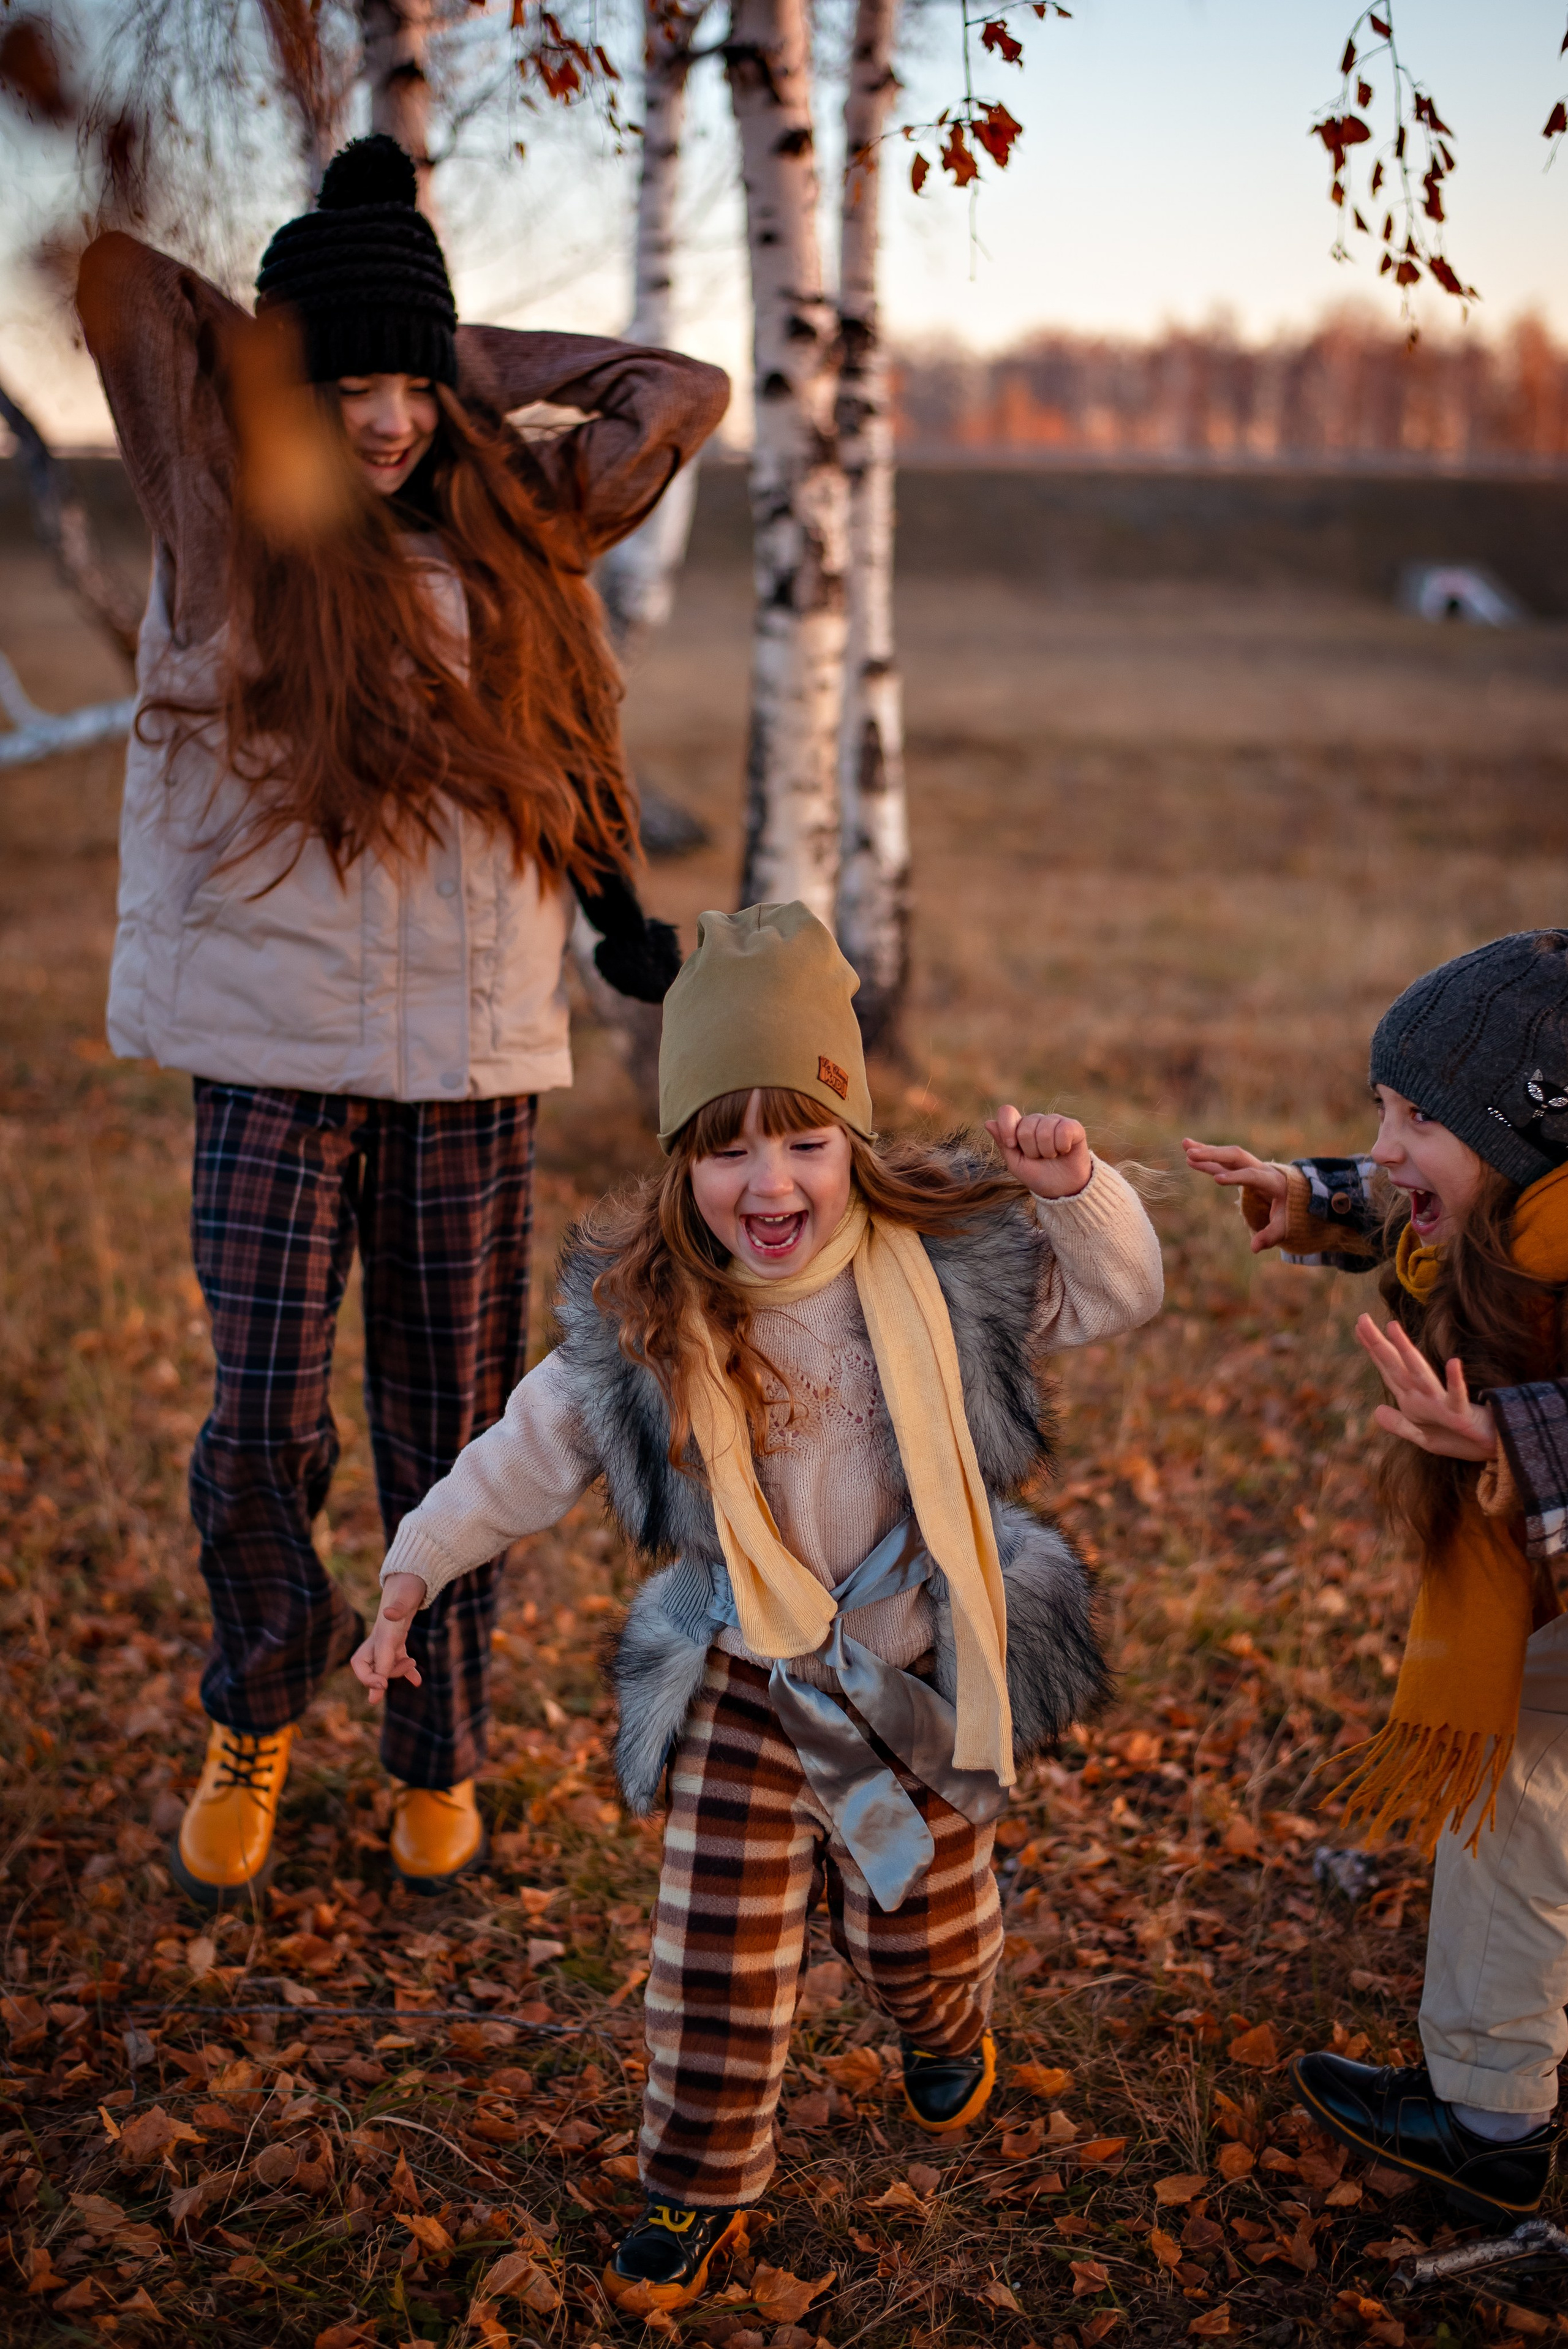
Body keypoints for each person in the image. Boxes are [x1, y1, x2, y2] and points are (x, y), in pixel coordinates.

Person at [75, 134, 729, 1907]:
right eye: (344, 388)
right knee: (262, 1417)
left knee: (452, 1432)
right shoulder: (230, 510)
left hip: (467, 1070)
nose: (378, 422)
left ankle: (436, 1743)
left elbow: (687, 386)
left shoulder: (521, 516)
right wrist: (308, 351)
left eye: (403, 387)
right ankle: (263, 1703)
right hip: (272, 1060)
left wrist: (449, 354)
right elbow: (126, 288)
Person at [353, 900, 1164, 2309]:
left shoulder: (946, 1272)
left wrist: (1073, 1188)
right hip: (748, 1683)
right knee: (711, 1954)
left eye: (800, 1139)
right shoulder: (647, 1321)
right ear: (682, 1163)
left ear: (850, 1139)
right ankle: (699, 2183)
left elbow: (1117, 1294)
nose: (766, 1179)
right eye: (726, 1147)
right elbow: (522, 1453)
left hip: (910, 1668)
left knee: (923, 1930)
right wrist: (412, 1569)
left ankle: (940, 2021)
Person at [1186, 929, 1568, 2223]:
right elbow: (1431, 1202)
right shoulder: (1520, 1207)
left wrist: (1508, 1434)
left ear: (1528, 1134)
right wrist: (1316, 1196)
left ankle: (1484, 2117)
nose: (1388, 1140)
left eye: (1417, 1116)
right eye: (1378, 1109)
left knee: (1511, 1806)